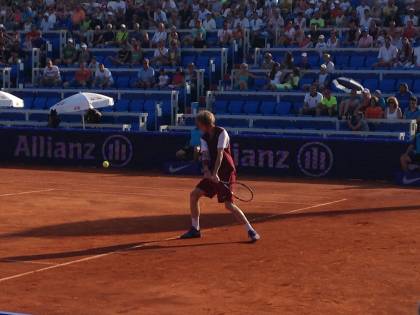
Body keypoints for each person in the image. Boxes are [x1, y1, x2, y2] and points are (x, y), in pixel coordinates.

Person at [180, 110, 260, 242]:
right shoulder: (204, 137)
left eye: (198, 123)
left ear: (205, 124)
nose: (197, 126)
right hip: (212, 173)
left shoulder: (222, 132)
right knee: (194, 195)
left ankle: (250, 231)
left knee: (229, 205)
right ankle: (195, 229)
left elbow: (220, 154)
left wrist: (215, 172)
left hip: (226, 172)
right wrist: (206, 169)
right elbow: (205, 156)